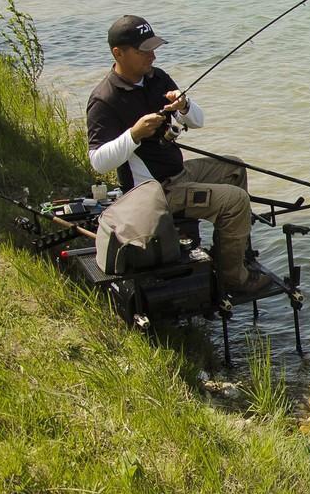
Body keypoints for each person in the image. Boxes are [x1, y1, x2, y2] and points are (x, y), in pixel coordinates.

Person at [85, 15, 269, 295]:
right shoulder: (104, 100)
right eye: (143, 50)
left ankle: (234, 257)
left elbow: (198, 121)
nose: (153, 55)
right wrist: (134, 134)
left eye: (153, 48)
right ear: (118, 53)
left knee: (234, 168)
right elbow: (98, 162)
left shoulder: (156, 78)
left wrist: (184, 107)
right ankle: (235, 281)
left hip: (178, 174)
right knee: (235, 201)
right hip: (153, 193)